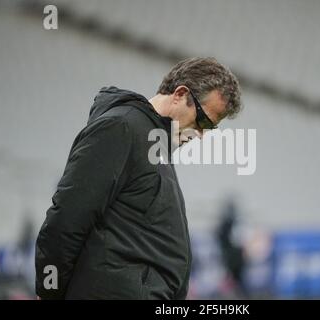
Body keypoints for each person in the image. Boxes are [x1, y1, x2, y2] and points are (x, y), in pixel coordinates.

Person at [35, 57, 242, 299]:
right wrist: (49, 291)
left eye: (209, 128)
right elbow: (67, 217)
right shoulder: (121, 127)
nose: (201, 134)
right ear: (180, 94)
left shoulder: (155, 143)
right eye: (202, 121)